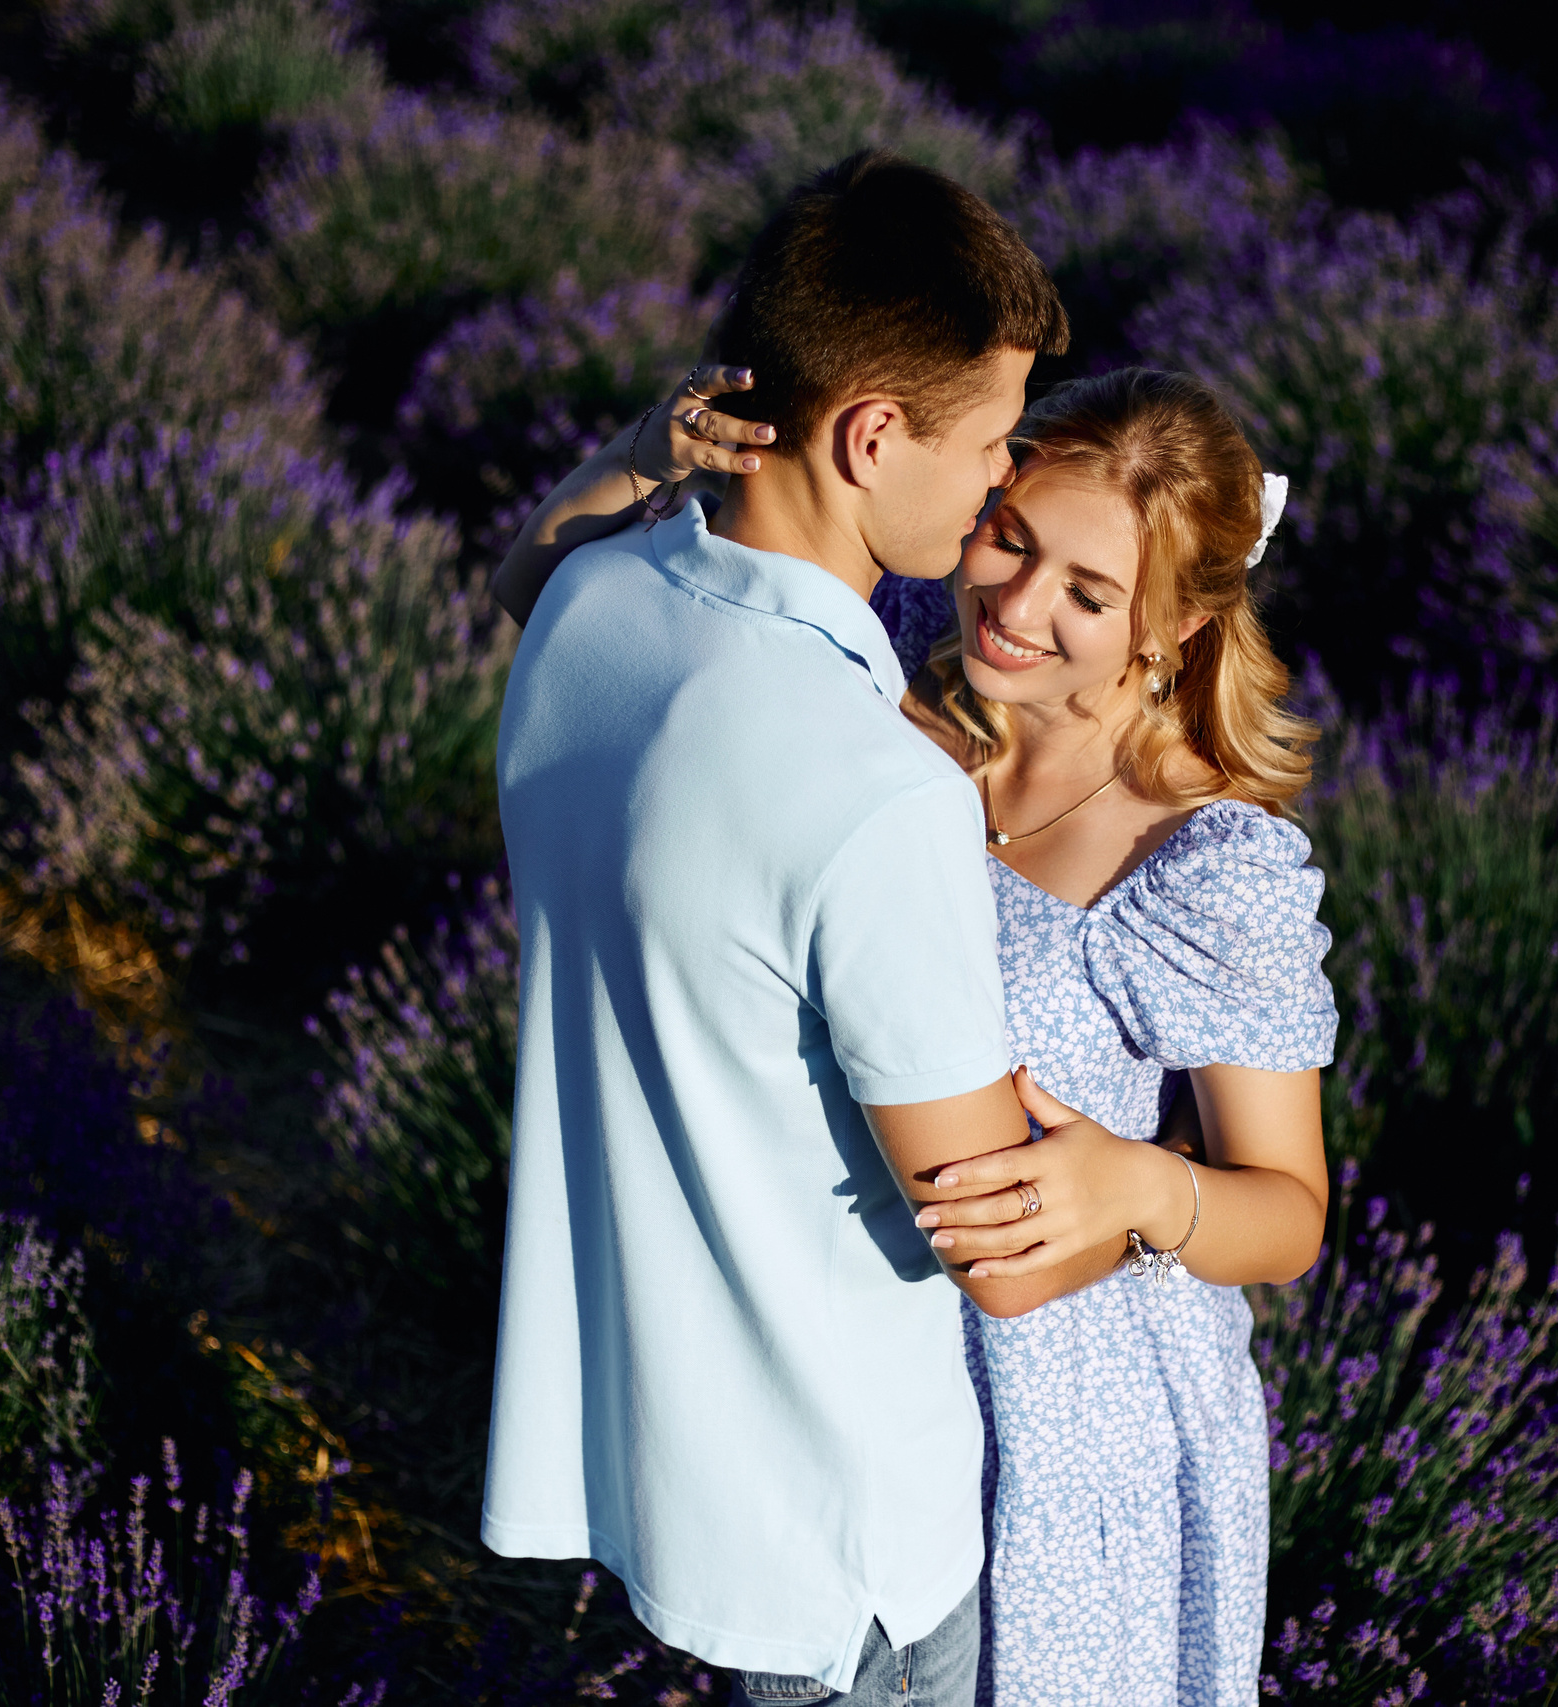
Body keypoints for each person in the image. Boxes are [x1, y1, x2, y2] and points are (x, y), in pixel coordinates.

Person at [504, 313, 1338, 1704]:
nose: (1015, 608)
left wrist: (1142, 1186)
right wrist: (647, 450)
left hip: (1076, 1434)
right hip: (857, 1368)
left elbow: (1290, 1211)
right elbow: (558, 598)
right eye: (1010, 536)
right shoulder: (879, 661)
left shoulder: (1200, 861)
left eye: (1089, 590)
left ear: (1177, 623)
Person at [483, 150, 1118, 1707]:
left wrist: (648, 449)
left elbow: (535, 563)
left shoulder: (585, 609)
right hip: (852, 1545)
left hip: (672, 1477)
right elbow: (1002, 1255)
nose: (995, 489)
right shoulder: (879, 796)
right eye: (984, 444)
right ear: (872, 431)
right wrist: (1147, 1183)